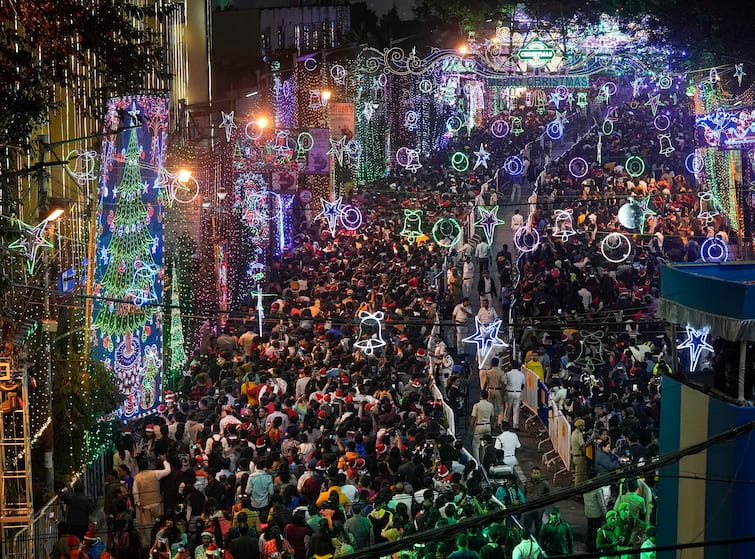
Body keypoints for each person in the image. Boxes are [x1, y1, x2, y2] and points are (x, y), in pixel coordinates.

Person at [133, 455, 172, 546]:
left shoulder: (137, 477)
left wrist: (138, 503)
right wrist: (165, 461)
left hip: (145, 506)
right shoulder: (154, 473)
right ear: (148, 466)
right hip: (157, 504)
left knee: (147, 529)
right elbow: (168, 471)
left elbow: (135, 492)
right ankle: (159, 544)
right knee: (159, 526)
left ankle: (149, 545)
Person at [583, 470, 608, 552]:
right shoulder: (598, 489)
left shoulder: (584, 486)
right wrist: (606, 514)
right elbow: (602, 504)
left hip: (588, 512)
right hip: (597, 514)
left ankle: (587, 546)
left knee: (589, 529)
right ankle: (593, 547)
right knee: (596, 531)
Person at [521, 467, 550, 538]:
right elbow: (523, 494)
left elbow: (547, 494)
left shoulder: (544, 483)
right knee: (527, 526)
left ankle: (537, 540)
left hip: (539, 508)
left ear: (540, 474)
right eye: (534, 473)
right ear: (531, 473)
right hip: (529, 508)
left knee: (538, 526)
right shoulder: (526, 483)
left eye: (537, 473)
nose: (536, 475)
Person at [470, 390, 495, 463]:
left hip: (479, 427)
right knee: (484, 445)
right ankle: (484, 461)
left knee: (475, 446)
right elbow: (492, 416)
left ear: (481, 396)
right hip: (487, 426)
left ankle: (477, 463)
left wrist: (471, 427)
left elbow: (473, 417)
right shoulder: (490, 405)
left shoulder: (477, 405)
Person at [503, 362, 525, 429]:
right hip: (518, 392)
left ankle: (505, 422)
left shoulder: (508, 374)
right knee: (516, 409)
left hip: (509, 392)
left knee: (508, 408)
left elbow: (505, 383)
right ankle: (515, 425)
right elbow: (523, 385)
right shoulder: (521, 375)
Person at [571, 419, 592, 486]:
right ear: (579, 426)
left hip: (577, 456)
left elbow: (582, 434)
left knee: (582, 474)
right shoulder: (577, 435)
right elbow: (583, 445)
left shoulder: (575, 432)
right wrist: (592, 440)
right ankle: (577, 491)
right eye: (583, 426)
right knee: (579, 476)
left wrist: (587, 433)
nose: (584, 428)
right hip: (579, 457)